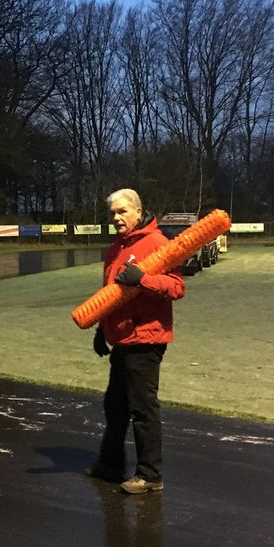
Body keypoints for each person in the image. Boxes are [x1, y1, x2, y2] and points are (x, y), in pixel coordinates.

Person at [87, 188, 185, 494]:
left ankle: (150, 474)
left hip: (146, 338)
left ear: (138, 212)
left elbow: (177, 287)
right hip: (122, 339)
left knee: (142, 408)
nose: (116, 218)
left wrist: (142, 279)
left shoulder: (157, 243)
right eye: (112, 213)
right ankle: (111, 464)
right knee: (115, 406)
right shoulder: (115, 248)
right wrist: (102, 329)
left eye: (122, 212)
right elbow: (111, 296)